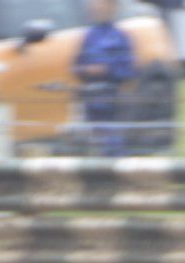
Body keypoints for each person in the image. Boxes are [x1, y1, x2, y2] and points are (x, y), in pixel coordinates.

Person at [74, 0, 137, 158]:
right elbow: (75, 66)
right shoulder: (89, 37)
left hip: (112, 102)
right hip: (91, 102)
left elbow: (128, 71)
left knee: (113, 146)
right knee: (90, 147)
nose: (96, 7)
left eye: (101, 4)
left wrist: (107, 70)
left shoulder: (120, 37)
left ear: (112, 8)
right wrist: (86, 70)